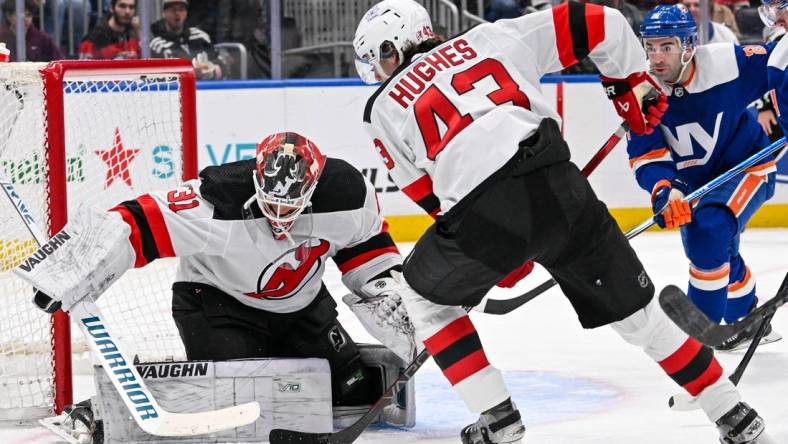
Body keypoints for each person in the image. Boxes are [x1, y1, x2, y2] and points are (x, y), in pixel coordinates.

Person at [353, 0, 770, 442]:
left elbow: (432, 199)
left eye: (377, 59)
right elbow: (602, 22)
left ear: (392, 49)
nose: (378, 72)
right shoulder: (492, 38)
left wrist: (495, 260)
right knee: (642, 318)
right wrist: (633, 87)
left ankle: (498, 417)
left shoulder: (379, 108)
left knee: (425, 300)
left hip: (481, 214)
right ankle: (736, 415)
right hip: (559, 184)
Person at [14, 132, 415, 417]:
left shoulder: (348, 193)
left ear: (313, 188)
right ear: (256, 180)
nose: (279, 218)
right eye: (270, 204)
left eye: (290, 207)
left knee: (352, 390)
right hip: (217, 304)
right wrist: (70, 269)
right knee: (241, 405)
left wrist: (391, 291)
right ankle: (102, 408)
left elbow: (367, 248)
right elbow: (130, 224)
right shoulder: (214, 203)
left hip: (303, 305)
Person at [629, 5, 781, 351]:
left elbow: (781, 61)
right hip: (694, 184)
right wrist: (664, 191)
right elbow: (646, 154)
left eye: (666, 46)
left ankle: (695, 346)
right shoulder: (641, 90)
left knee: (708, 229)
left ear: (688, 45)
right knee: (711, 245)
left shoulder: (728, 62)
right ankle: (749, 317)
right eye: (650, 47)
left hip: (746, 166)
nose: (656, 58)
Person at [150, 0, 225, 80]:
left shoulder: (201, 37)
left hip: (205, 90)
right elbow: (155, 77)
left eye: (181, 9)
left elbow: (222, 65)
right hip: (176, 91)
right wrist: (190, 74)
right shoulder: (157, 45)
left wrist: (211, 71)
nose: (177, 13)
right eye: (173, 10)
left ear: (186, 13)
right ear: (164, 13)